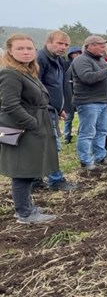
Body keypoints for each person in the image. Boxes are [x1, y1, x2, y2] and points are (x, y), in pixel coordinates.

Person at [0, 34, 58, 223]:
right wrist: (32, 124)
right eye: (20, 48)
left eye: (29, 48)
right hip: (23, 129)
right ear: (10, 51)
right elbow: (10, 105)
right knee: (22, 171)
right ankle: (24, 212)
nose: (26, 52)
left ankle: (26, 206)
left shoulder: (25, 71)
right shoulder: (10, 73)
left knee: (29, 168)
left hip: (34, 124)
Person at [72, 35, 107, 171]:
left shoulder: (100, 60)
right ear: (90, 46)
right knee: (87, 132)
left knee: (102, 130)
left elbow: (106, 80)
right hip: (88, 102)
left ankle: (100, 157)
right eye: (100, 45)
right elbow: (87, 77)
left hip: (102, 100)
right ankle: (86, 161)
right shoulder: (81, 60)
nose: (103, 48)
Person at [37, 30, 78, 191]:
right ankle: (55, 180)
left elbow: (57, 86)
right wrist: (46, 106)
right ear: (48, 42)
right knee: (52, 146)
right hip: (42, 110)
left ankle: (35, 179)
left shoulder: (58, 60)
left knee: (45, 145)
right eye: (59, 43)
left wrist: (60, 107)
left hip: (53, 109)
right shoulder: (40, 59)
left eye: (66, 44)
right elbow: (36, 86)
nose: (63, 47)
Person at [62, 46, 82, 144]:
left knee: (83, 117)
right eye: (75, 54)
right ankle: (67, 135)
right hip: (68, 94)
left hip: (79, 95)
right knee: (68, 117)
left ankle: (80, 134)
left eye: (79, 53)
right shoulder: (65, 65)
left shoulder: (82, 65)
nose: (77, 56)